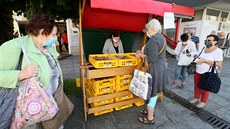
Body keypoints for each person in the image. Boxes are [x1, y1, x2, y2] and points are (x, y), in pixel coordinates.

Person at [0, 14, 70, 129]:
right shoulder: (14, 47)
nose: (55, 38)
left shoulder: (48, 49)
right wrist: (21, 74)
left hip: (52, 107)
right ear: (42, 32)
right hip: (29, 114)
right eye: (53, 35)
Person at [135, 19, 168, 124]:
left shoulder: (154, 40)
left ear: (151, 28)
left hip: (155, 70)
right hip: (159, 68)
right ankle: (150, 111)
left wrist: (141, 55)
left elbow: (152, 58)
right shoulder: (161, 37)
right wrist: (143, 52)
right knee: (151, 92)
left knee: (152, 93)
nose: (147, 31)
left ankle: (150, 118)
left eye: (147, 29)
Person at [189, 34, 223, 108]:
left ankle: (203, 101)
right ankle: (196, 97)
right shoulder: (203, 48)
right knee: (196, 86)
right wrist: (196, 57)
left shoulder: (218, 51)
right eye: (206, 40)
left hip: (208, 73)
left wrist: (204, 61)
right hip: (198, 70)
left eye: (209, 40)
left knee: (205, 88)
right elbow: (199, 56)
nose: (207, 42)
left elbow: (219, 63)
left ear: (215, 42)